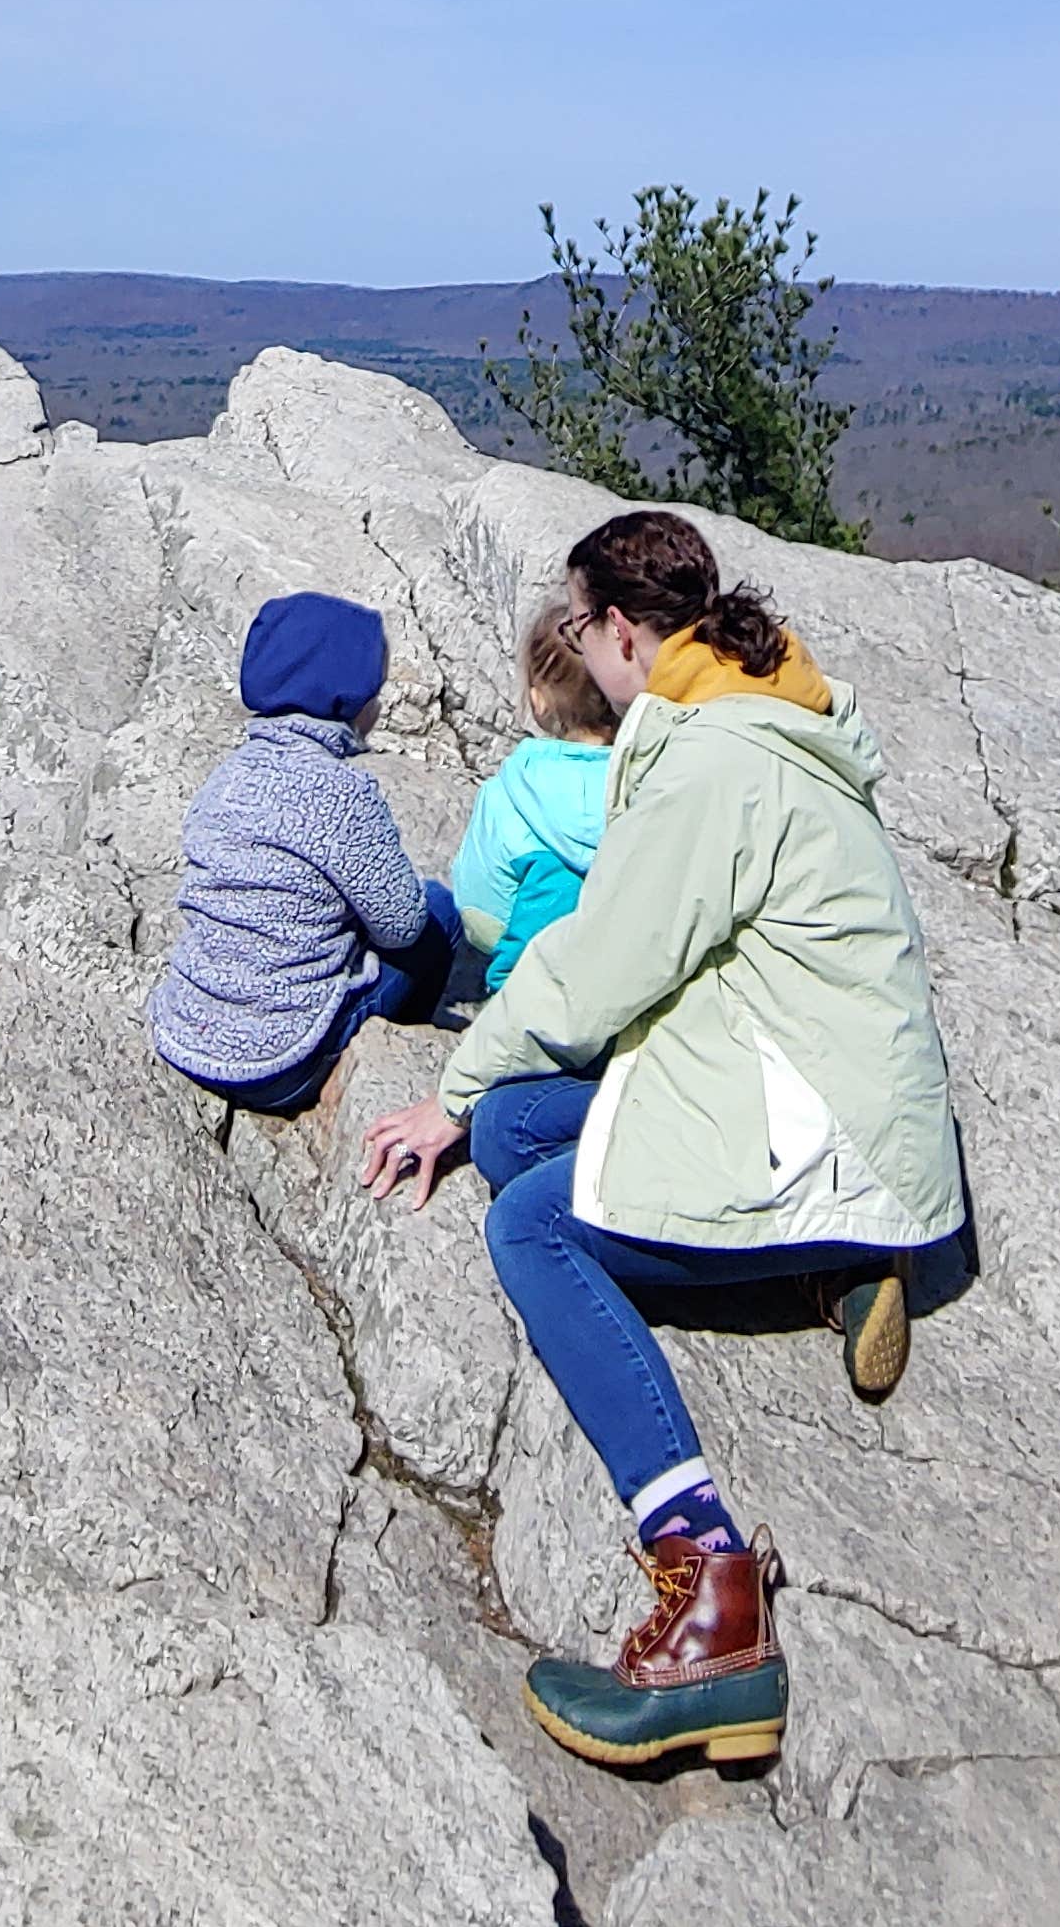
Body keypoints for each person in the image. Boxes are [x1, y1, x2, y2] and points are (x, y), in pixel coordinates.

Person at [360, 508, 963, 1772]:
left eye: (580, 626)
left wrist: (446, 1093)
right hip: (812, 1091)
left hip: (809, 1127)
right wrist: (488, 1105)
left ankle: (712, 1602)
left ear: (620, 631)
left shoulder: (706, 764)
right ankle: (827, 1271)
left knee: (528, 1222)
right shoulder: (750, 711)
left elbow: (591, 972)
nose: (576, 648)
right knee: (527, 1124)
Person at [151, 591, 457, 1114]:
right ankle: (401, 1049)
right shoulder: (343, 795)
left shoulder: (226, 777)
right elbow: (402, 926)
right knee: (439, 913)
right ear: (350, 703)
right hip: (279, 1065)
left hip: (184, 1035)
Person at [449, 598, 617, 988]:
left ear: (539, 702)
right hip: (534, 930)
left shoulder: (529, 767)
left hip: (485, 912)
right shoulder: (627, 781)